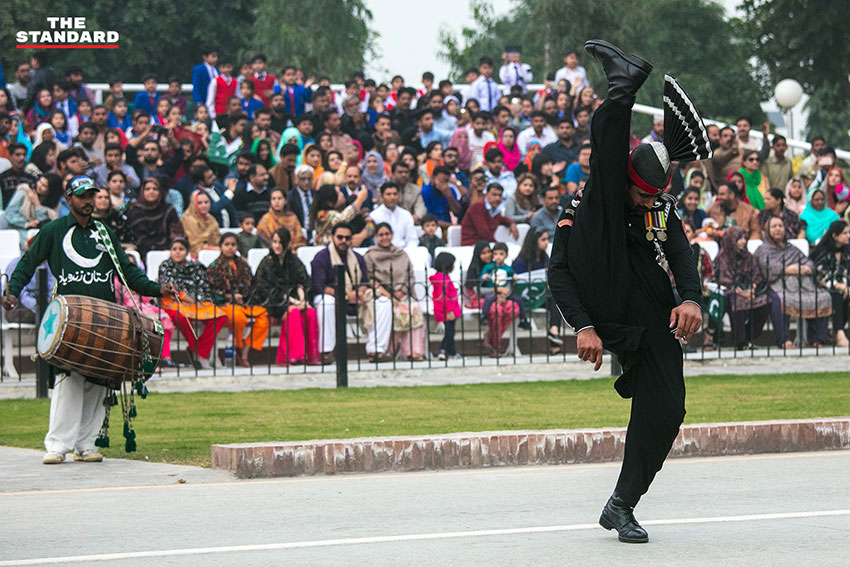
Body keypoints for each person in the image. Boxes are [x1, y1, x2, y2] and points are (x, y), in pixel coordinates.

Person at [549, 41, 708, 544]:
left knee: (668, 409)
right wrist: (584, 326)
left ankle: (622, 504)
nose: (648, 202)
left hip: (651, 313)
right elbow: (558, 274)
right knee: (608, 163)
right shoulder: (590, 203)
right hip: (602, 294)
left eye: (654, 196)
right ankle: (622, 84)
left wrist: (689, 298)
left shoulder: (659, 205)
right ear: (628, 182)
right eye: (641, 192)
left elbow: (682, 253)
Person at [4, 176, 177, 465]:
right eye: (83, 196)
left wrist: (156, 288)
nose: (88, 201)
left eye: (92, 195)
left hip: (105, 315)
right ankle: (58, 445)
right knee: (69, 379)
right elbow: (29, 261)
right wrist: (12, 290)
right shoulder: (54, 230)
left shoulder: (104, 232)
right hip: (71, 317)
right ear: (69, 198)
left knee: (98, 379)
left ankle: (85, 445)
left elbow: (127, 272)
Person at [754, 216, 832, 347]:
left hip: (802, 285)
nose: (778, 229)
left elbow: (807, 261)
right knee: (779, 300)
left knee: (823, 297)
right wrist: (786, 269)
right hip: (776, 285)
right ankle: (784, 340)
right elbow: (766, 267)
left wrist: (806, 268)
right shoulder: (763, 249)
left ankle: (816, 339)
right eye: (774, 227)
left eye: (780, 226)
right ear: (767, 231)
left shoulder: (791, 248)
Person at [311, 223, 379, 363]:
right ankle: (326, 351)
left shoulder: (358, 258)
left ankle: (376, 350)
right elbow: (319, 286)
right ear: (332, 238)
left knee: (382, 303)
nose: (344, 241)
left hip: (355, 298)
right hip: (330, 297)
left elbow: (364, 282)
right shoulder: (322, 257)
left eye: (347, 238)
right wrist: (346, 296)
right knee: (326, 303)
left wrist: (360, 293)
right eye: (340, 237)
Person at [252, 228, 320, 365]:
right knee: (293, 312)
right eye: (274, 242)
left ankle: (311, 356)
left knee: (311, 312)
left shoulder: (294, 261)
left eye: (280, 242)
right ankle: (293, 356)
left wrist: (303, 299)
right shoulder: (267, 263)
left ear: (287, 243)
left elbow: (303, 281)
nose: (277, 245)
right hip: (274, 303)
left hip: (295, 300)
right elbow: (265, 289)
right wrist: (292, 302)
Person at [364, 223, 427, 361]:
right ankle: (386, 351)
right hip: (381, 295)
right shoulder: (370, 256)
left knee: (413, 308)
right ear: (375, 237)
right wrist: (388, 295)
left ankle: (414, 351)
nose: (385, 237)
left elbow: (409, 276)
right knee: (388, 308)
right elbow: (368, 279)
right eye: (381, 235)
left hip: (402, 294)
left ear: (392, 235)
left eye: (387, 234)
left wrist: (403, 291)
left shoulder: (401, 254)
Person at [207, 233, 270, 366]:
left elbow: (251, 285)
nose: (230, 248)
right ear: (221, 246)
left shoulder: (243, 264)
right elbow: (212, 290)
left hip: (243, 303)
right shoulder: (214, 266)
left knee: (263, 316)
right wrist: (230, 296)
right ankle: (239, 349)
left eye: (233, 245)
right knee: (238, 318)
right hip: (224, 305)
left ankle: (245, 350)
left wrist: (244, 296)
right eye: (227, 244)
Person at [713, 227, 770, 349]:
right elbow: (725, 280)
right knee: (737, 300)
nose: (743, 241)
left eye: (745, 238)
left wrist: (752, 289)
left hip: (749, 290)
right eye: (739, 239)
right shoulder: (723, 256)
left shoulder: (748, 256)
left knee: (766, 301)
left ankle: (748, 336)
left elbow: (756, 275)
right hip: (729, 292)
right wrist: (742, 292)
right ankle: (740, 341)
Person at [514, 227, 562, 352]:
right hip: (525, 298)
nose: (546, 242)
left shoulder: (544, 258)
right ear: (534, 241)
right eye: (543, 239)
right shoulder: (521, 261)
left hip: (540, 297)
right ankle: (554, 334)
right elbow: (516, 283)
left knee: (556, 300)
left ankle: (554, 331)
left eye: (547, 239)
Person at [811, 221, 850, 347]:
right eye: (845, 233)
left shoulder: (847, 251)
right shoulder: (823, 251)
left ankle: (837, 332)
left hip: (844, 286)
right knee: (837, 295)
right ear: (835, 235)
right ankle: (839, 333)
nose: (848, 236)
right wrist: (839, 286)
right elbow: (821, 275)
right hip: (823, 287)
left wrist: (846, 286)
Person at [125, 177, 185, 260]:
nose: (151, 192)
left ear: (160, 191)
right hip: (143, 253)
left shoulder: (168, 210)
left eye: (155, 189)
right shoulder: (135, 211)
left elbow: (177, 233)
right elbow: (138, 238)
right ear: (142, 192)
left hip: (169, 252)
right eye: (147, 189)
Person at [479, 242, 522, 356]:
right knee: (492, 305)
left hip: (506, 295)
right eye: (496, 254)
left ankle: (524, 319)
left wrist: (505, 293)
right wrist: (484, 277)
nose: (498, 256)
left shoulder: (508, 268)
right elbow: (480, 281)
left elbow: (512, 281)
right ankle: (484, 316)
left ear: (506, 255)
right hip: (492, 293)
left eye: (501, 254)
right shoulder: (488, 267)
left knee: (517, 303)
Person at [5, 173, 63, 246]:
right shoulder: (25, 191)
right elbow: (9, 213)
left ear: (50, 190)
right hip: (18, 231)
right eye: (40, 182)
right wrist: (26, 224)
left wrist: (37, 204)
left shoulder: (54, 204)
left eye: (44, 186)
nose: (39, 185)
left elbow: (46, 225)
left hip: (40, 235)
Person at [430, 252, 462, 360]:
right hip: (447, 311)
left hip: (444, 310)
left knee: (449, 332)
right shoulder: (443, 279)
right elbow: (445, 297)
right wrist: (449, 311)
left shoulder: (441, 278)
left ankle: (444, 350)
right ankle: (450, 352)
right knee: (450, 332)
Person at [369, 181, 419, 249]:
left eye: (395, 194)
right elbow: (374, 241)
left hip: (403, 253)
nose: (392, 197)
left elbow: (412, 240)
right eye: (388, 194)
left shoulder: (406, 214)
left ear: (398, 196)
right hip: (381, 253)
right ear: (381, 196)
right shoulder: (374, 216)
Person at [181, 190, 221, 257]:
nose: (204, 205)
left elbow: (217, 239)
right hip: (193, 257)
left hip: (213, 255)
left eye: (206, 202)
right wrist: (213, 249)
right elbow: (194, 244)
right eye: (199, 203)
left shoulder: (211, 219)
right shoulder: (188, 219)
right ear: (193, 203)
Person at [463, 240, 493, 308]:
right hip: (477, 299)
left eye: (489, 252)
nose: (487, 255)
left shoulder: (493, 265)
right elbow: (473, 290)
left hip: (492, 297)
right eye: (483, 253)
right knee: (496, 307)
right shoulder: (474, 269)